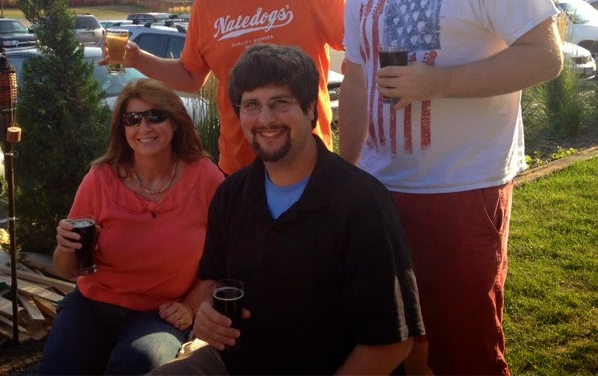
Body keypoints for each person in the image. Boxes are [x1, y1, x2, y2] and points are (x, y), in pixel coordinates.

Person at [339, 0, 564, 376]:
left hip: (462, 188)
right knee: (394, 342)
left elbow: (545, 57)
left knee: (465, 346)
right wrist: (345, 174)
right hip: (381, 190)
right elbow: (356, 80)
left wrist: (437, 83)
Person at [150, 43, 425, 375]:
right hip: (238, 362)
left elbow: (392, 342)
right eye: (252, 105)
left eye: (280, 102)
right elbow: (215, 282)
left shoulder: (362, 204)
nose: (265, 119)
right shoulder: (231, 195)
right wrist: (207, 309)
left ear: (310, 109)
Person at [106, 0, 345, 176]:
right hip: (238, 170)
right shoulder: (207, 4)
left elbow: (364, 48)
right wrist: (137, 59)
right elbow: (191, 76)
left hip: (309, 166)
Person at [39, 79, 225, 375]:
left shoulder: (205, 178)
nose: (144, 127)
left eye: (155, 116)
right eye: (133, 119)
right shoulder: (100, 178)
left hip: (159, 313)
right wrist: (65, 248)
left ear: (175, 122)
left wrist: (190, 306)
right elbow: (67, 269)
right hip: (93, 305)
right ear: (122, 128)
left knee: (135, 365)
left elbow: (224, 257)